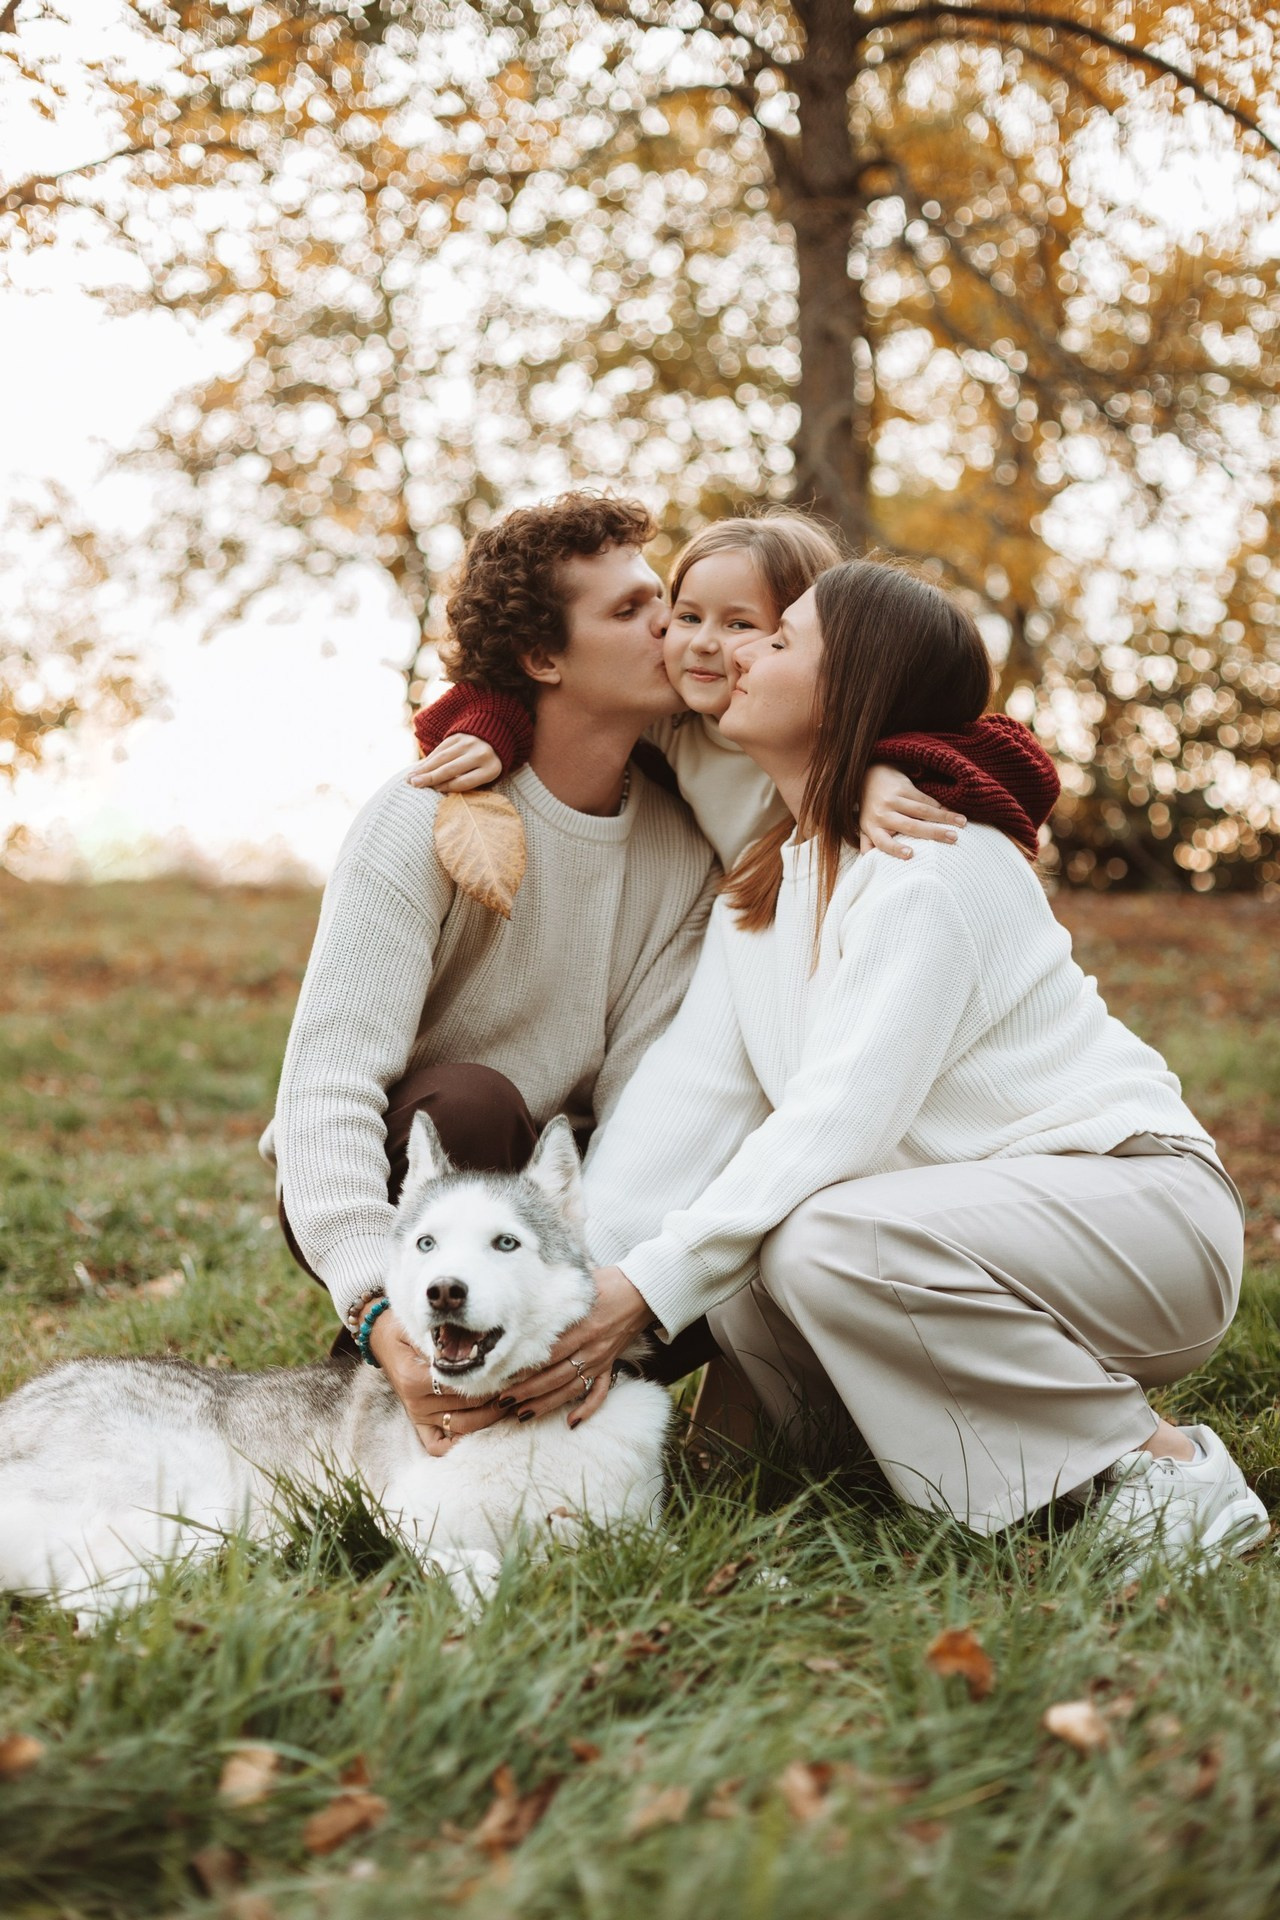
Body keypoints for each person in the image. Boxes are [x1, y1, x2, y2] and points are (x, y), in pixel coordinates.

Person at [506, 556, 1267, 1585]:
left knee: (814, 1227)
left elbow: (835, 1127)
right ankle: (854, 1468)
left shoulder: (932, 863)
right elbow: (681, 1114)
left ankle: (1161, 1472)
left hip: (1143, 1214)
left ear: (847, 690)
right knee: (750, 1235)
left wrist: (641, 1290)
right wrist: (563, 1299)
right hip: (961, 1232)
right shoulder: (766, 889)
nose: (736, 654)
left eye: (775, 641)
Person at [411, 511, 1061, 873]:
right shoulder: (679, 718)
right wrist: (489, 725)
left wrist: (881, 771)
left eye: (742, 626)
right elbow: (530, 684)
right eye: (688, 615)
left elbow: (1013, 762)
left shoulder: (841, 729)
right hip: (751, 919)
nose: (699, 642)